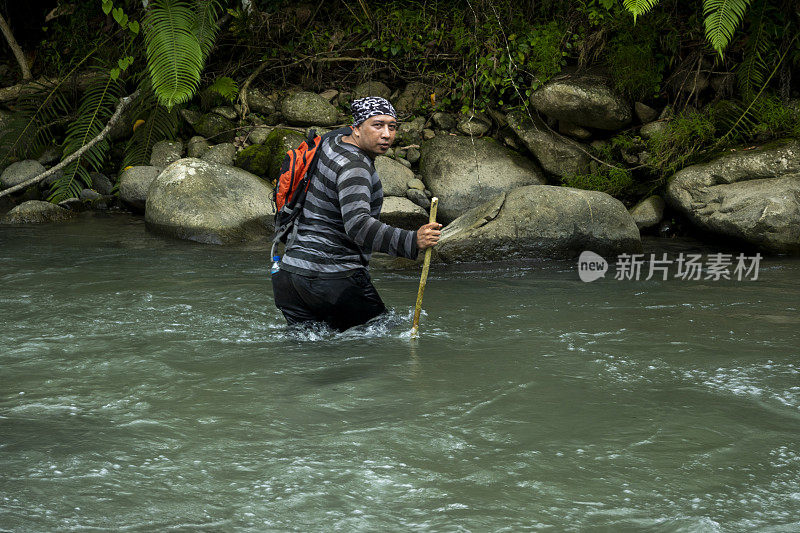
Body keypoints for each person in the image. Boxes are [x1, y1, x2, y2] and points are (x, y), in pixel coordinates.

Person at [271, 96, 442, 331]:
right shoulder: (355, 167)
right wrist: (413, 241)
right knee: (380, 345)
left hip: (289, 277)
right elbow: (358, 226)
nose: (386, 134)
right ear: (357, 128)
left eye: (392, 127)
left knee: (311, 354)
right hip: (333, 280)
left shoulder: (329, 143)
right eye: (377, 125)